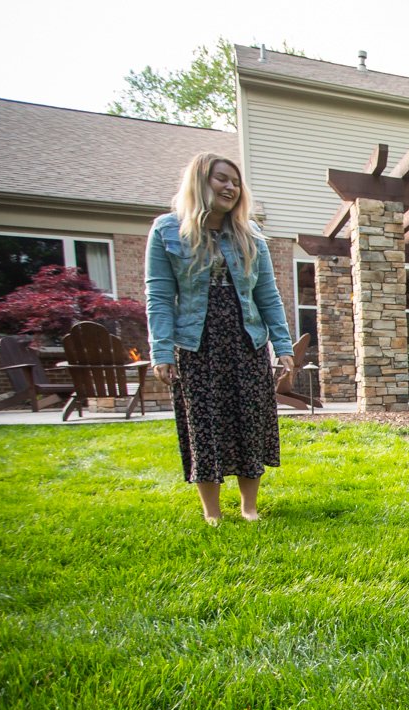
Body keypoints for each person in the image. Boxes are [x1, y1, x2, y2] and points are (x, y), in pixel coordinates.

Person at [145, 153, 295, 525]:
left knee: (249, 419)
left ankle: (249, 506)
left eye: (236, 182)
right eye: (221, 179)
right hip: (196, 344)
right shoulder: (167, 230)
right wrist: (162, 351)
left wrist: (283, 346)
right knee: (204, 423)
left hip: (246, 340)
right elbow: (159, 297)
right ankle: (211, 511)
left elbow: (268, 296)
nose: (230, 187)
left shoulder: (250, 236)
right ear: (199, 182)